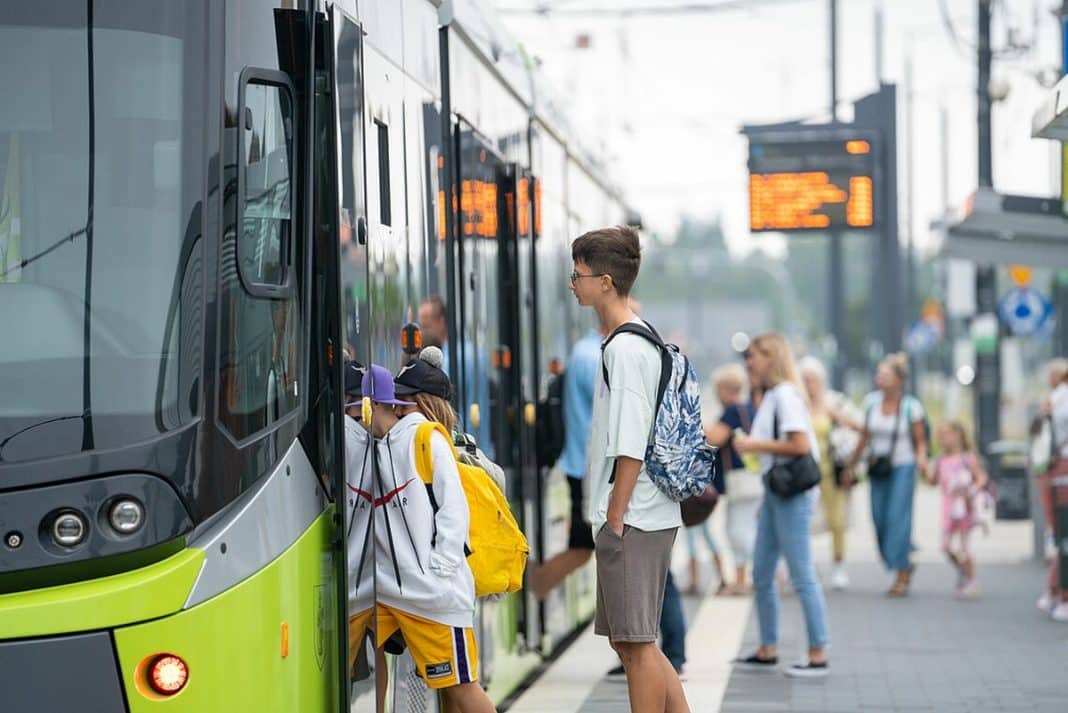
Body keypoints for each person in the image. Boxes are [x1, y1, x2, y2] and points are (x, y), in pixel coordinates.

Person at [571, 225, 688, 713]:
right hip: (640, 516)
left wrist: (614, 515)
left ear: (604, 282)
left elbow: (630, 442)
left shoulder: (623, 348)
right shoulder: (637, 340)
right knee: (633, 643)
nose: (573, 283)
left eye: (576, 274)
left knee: (636, 647)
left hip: (633, 518)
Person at [359, 364, 496, 713]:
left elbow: (454, 510)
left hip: (434, 592)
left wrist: (440, 569)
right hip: (391, 591)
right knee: (443, 687)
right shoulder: (377, 446)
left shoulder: (427, 438)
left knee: (460, 688)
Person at [732, 333, 830, 678]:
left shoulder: (786, 395)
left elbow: (800, 446)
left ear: (771, 358)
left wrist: (753, 444)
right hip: (777, 493)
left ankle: (818, 652)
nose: (749, 362)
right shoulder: (775, 395)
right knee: (761, 571)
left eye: (754, 356)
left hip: (792, 495)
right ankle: (767, 647)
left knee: (801, 572)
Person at [842, 353, 929, 597]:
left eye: (886, 375)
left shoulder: (912, 406)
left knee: (897, 518)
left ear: (900, 379)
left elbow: (920, 441)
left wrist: (922, 460)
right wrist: (851, 466)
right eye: (879, 374)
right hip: (877, 467)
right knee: (879, 519)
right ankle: (899, 560)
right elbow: (864, 437)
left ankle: (901, 572)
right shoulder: (871, 403)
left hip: (903, 466)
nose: (880, 379)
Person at [530, 319, 603, 601]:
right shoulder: (592, 355)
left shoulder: (591, 351)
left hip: (584, 465)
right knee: (583, 547)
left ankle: (532, 586)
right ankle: (530, 586)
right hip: (587, 468)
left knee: (583, 547)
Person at [798, 356, 862, 591]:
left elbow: (860, 428)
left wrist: (837, 416)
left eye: (812, 379)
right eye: (804, 379)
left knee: (837, 520)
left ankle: (839, 565)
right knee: (804, 520)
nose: (809, 384)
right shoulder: (796, 404)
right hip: (805, 472)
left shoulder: (834, 401)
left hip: (832, 471)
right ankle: (807, 565)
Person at [703, 363, 756, 596]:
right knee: (742, 528)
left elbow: (714, 438)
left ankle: (745, 580)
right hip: (751, 478)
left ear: (726, 388)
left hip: (741, 480)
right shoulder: (749, 407)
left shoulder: (733, 410)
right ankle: (745, 578)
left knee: (737, 530)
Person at [419, 295, 493, 457]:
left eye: (425, 325)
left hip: (458, 451)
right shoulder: (474, 353)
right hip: (479, 448)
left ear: (440, 322)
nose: (421, 332)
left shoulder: (444, 361)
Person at [925, 421, 989, 598]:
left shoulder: (968, 458)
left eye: (949, 434)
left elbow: (981, 478)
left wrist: (972, 490)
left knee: (964, 547)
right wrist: (924, 470)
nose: (946, 439)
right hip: (948, 509)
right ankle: (962, 570)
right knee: (945, 546)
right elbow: (932, 482)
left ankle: (971, 579)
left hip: (965, 507)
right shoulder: (940, 460)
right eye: (943, 436)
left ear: (959, 435)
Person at [1038, 358, 1068, 620]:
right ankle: (1060, 594)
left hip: (1053, 470)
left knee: (1061, 534)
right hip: (1063, 469)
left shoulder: (1053, 400)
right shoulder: (1062, 399)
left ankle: (1054, 591)